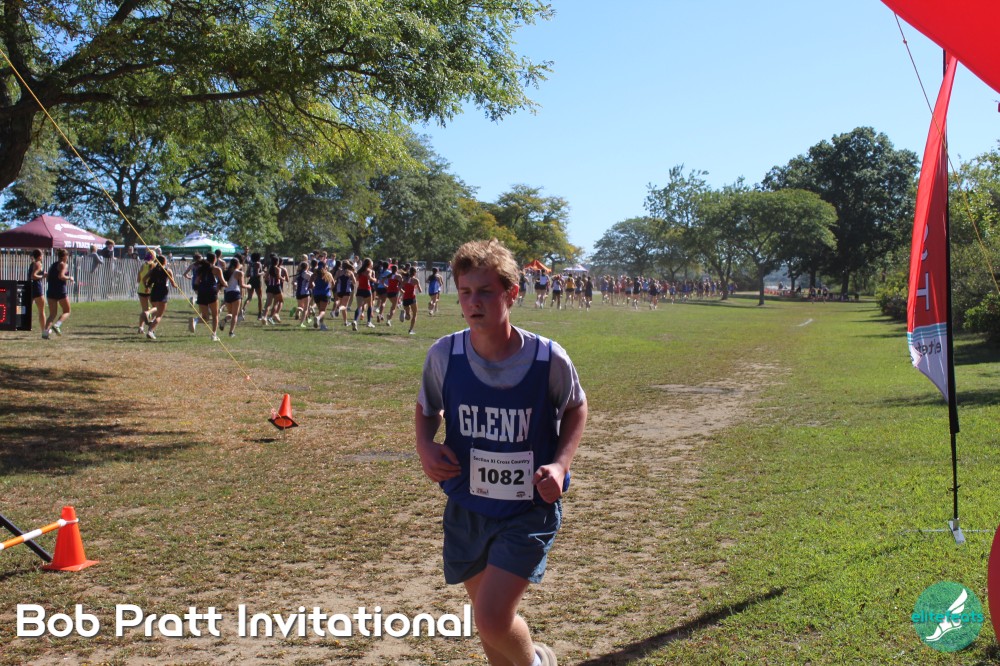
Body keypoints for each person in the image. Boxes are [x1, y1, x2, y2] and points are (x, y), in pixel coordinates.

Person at [415, 239, 587, 666]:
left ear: (512, 293)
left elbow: (575, 407)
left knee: (492, 617)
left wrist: (560, 464)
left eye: (486, 291)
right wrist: (425, 446)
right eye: (465, 292)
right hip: (467, 505)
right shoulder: (445, 354)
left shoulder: (547, 358)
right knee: (488, 623)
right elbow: (427, 409)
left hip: (527, 507)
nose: (474, 302)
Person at [43, 249, 74, 339]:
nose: (67, 258)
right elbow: (61, 276)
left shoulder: (53, 265)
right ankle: (57, 325)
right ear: (64, 256)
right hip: (60, 290)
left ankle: (45, 333)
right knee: (67, 311)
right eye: (67, 256)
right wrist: (70, 278)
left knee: (52, 314)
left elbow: (48, 277)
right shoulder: (63, 264)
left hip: (51, 290)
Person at [142, 254, 174, 340]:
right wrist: (175, 285)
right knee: (159, 315)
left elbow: (144, 279)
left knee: (156, 308)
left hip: (154, 291)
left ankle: (149, 315)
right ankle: (150, 331)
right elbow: (173, 283)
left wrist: (147, 287)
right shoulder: (168, 270)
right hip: (163, 292)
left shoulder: (153, 270)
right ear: (164, 262)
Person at [194, 254, 225, 341]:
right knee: (215, 315)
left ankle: (195, 320)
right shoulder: (216, 269)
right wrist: (226, 284)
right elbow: (223, 281)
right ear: (215, 259)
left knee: (205, 317)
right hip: (211, 291)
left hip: (202, 292)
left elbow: (196, 282)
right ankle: (214, 335)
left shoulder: (202, 268)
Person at [222, 257, 249, 337]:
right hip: (235, 293)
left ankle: (224, 320)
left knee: (230, 313)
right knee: (235, 315)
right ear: (237, 264)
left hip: (227, 293)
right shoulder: (239, 273)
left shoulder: (226, 272)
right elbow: (242, 285)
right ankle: (231, 332)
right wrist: (249, 286)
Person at [136, 251, 155, 334]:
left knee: (144, 309)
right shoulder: (153, 265)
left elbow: (138, 279)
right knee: (155, 308)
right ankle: (151, 322)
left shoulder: (143, 265)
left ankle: (141, 327)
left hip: (141, 289)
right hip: (150, 289)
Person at [27, 249, 46, 332]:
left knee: (27, 309)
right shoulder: (38, 263)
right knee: (41, 311)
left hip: (30, 287)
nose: (43, 256)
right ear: (39, 256)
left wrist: (42, 273)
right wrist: (43, 276)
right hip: (37, 288)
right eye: (42, 255)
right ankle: (44, 330)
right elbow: (33, 276)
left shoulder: (32, 263)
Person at [401, 266, 422, 335]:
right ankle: (410, 330)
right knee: (414, 314)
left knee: (408, 317)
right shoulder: (415, 280)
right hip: (412, 298)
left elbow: (399, 287)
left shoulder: (405, 280)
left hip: (405, 298)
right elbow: (420, 290)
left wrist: (403, 292)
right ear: (415, 272)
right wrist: (415, 286)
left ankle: (404, 314)